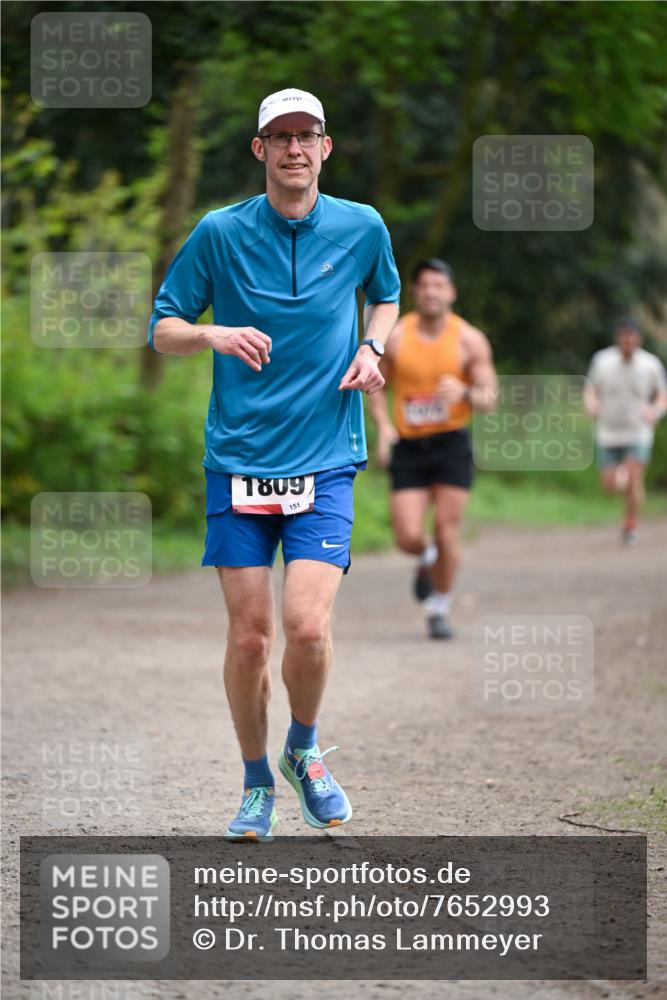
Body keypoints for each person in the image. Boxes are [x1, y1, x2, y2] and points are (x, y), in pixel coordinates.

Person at [147, 88, 400, 840]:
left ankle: (304, 749)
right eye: (279, 137)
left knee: (308, 629)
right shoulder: (219, 233)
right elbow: (162, 329)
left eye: (307, 135)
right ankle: (256, 781)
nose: (294, 148)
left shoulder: (362, 226)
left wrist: (372, 346)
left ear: (326, 147)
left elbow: (383, 296)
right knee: (253, 638)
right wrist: (214, 335)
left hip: (324, 457)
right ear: (259, 150)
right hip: (239, 459)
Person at [368, 259, 496, 640]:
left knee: (446, 531)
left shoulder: (469, 339)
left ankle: (439, 607)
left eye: (439, 285)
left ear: (451, 292)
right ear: (415, 292)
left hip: (451, 443)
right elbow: (377, 385)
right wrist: (384, 427)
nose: (431, 292)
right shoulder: (397, 336)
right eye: (424, 285)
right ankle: (424, 557)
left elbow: (489, 397)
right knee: (407, 536)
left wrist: (467, 393)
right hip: (408, 445)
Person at [585, 318, 667, 545]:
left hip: (638, 430)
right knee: (610, 486)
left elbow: (662, 395)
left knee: (634, 478)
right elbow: (591, 390)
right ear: (618, 338)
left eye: (632, 337)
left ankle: (631, 524)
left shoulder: (650, 364)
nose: (627, 342)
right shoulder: (602, 361)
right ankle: (620, 474)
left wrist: (656, 411)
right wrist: (591, 404)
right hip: (609, 430)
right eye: (624, 337)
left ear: (638, 339)